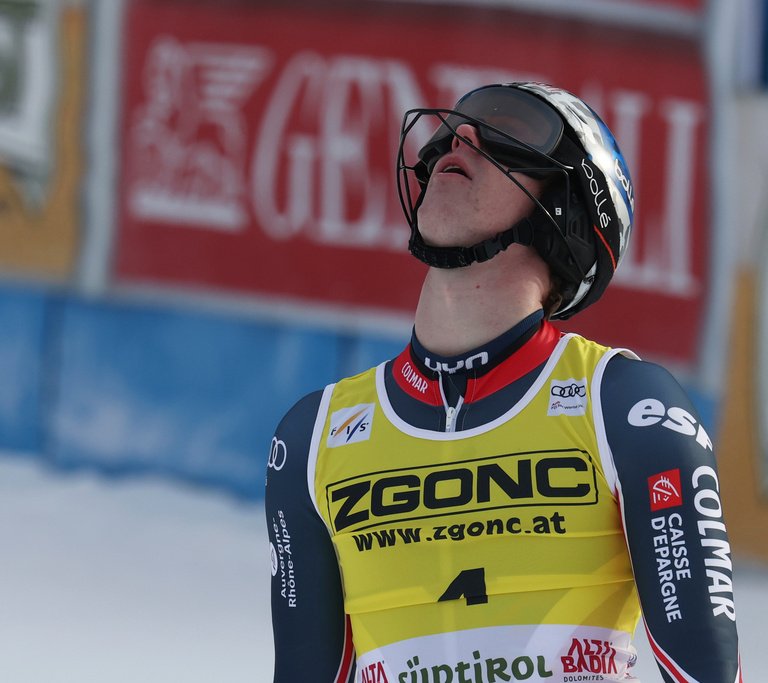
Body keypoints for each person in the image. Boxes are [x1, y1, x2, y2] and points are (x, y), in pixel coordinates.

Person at [265, 82, 742, 683]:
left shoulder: (625, 407)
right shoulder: (314, 438)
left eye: (507, 135)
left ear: (566, 209)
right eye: (450, 132)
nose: (457, 141)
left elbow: (707, 669)